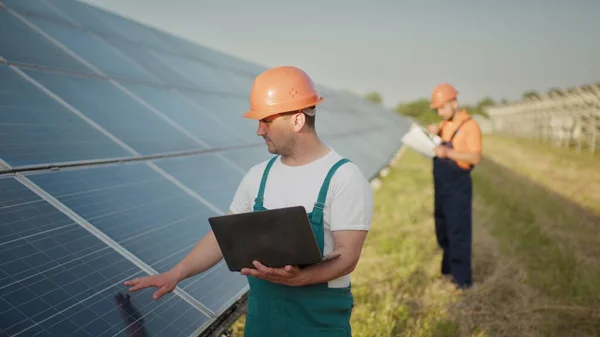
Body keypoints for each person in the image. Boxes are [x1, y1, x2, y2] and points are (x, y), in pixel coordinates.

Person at [124, 66, 374, 336]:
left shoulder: (343, 177)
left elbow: (347, 257)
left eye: (266, 120)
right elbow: (223, 238)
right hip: (262, 321)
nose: (259, 130)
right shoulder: (258, 176)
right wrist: (176, 273)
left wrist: (302, 278)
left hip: (316, 323)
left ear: (297, 120)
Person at [426, 83, 482, 289]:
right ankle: (448, 272)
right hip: (442, 186)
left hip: (458, 187)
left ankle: (462, 281)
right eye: (438, 109)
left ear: (454, 103)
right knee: (443, 229)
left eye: (442, 107)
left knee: (458, 232)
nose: (440, 112)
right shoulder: (445, 124)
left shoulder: (470, 126)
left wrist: (448, 153)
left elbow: (475, 156)